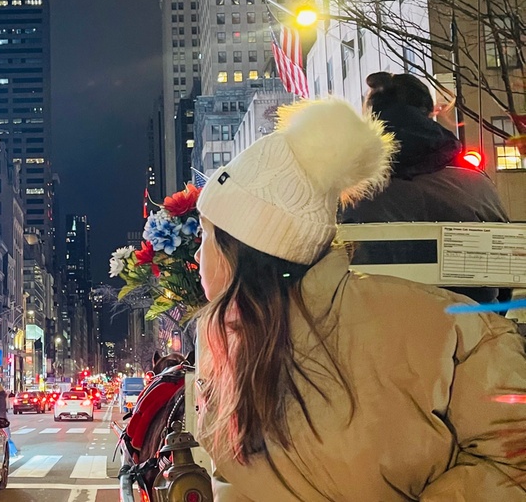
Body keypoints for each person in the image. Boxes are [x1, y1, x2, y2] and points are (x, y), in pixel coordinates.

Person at [194, 98, 526, 500]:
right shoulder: (225, 340)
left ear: (242, 252)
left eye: (206, 235)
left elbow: (512, 454)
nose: (196, 255)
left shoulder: (449, 330)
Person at [342, 72, 510, 305]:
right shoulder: (476, 185)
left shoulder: (345, 192)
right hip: (471, 328)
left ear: (371, 117)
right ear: (429, 113)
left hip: (374, 329)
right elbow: (504, 279)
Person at [0, 384, 18, 456]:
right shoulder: (1, 398)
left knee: (5, 437)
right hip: (1, 420)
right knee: (6, 437)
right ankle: (12, 451)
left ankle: (11, 451)